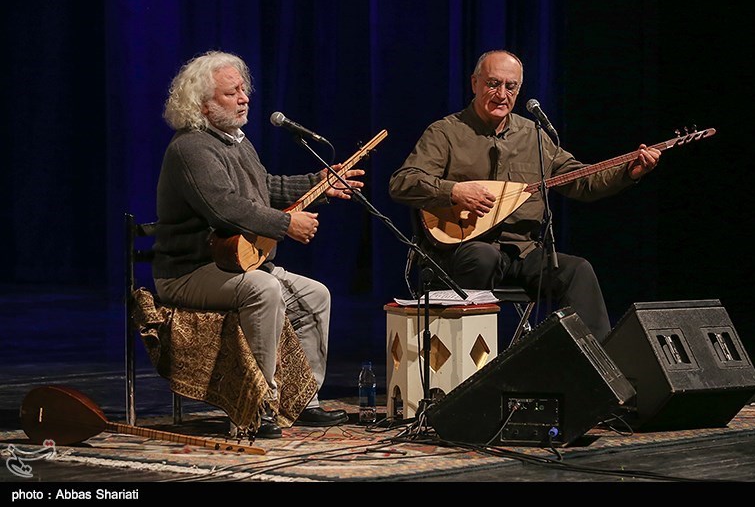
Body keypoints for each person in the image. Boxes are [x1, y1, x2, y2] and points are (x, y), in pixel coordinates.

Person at [153, 50, 364, 439]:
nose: (244, 98)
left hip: (235, 264)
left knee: (315, 295)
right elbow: (225, 208)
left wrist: (320, 182)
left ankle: (302, 399)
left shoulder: (237, 142)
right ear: (202, 104)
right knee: (264, 288)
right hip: (190, 272)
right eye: (231, 93)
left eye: (243, 90)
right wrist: (287, 224)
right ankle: (259, 405)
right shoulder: (191, 148)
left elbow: (264, 187)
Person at [388, 49, 660, 342]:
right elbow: (403, 182)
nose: (501, 94)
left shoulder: (533, 134)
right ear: (475, 83)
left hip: (522, 252)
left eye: (511, 86)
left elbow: (581, 180)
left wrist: (628, 172)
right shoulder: (445, 133)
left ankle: (597, 371)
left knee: (577, 270)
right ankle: (465, 367)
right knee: (483, 256)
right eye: (493, 84)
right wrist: (454, 191)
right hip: (461, 251)